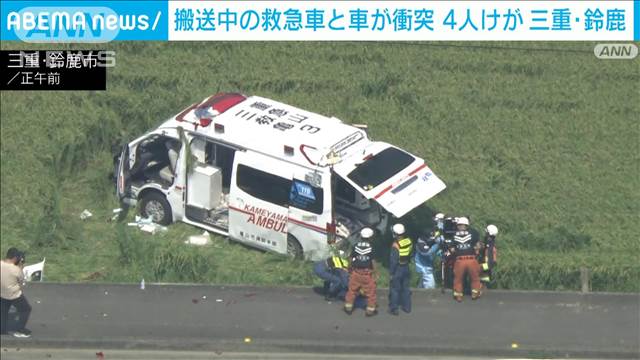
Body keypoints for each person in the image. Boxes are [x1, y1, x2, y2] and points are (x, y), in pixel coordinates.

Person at [344, 228, 378, 317]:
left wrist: (349, 268)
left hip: (356, 272)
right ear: (371, 237)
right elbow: (373, 261)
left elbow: (351, 258)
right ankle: (370, 311)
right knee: (371, 292)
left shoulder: (355, 246)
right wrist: (375, 272)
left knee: (352, 290)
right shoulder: (372, 247)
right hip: (367, 274)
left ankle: (348, 308)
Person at [449, 217, 482, 302]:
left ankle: (458, 296)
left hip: (460, 261)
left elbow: (452, 249)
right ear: (467, 225)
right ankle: (475, 294)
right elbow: (478, 246)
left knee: (458, 279)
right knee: (475, 278)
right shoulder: (474, 232)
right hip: (472, 259)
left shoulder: (454, 234)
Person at [1, 248, 32, 337]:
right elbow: (21, 279)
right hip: (14, 295)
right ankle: (20, 329)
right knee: (26, 309)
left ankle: (2, 330)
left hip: (2, 294)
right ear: (14, 258)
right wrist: (21, 266)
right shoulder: (16, 270)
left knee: (3, 312)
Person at [388, 224, 413, 315]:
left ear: (395, 234)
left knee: (395, 289)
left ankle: (394, 308)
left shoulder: (395, 245)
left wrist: (391, 273)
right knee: (406, 288)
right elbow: (410, 253)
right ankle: (407, 307)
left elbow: (393, 261)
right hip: (406, 266)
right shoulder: (409, 241)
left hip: (398, 269)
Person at [415, 214, 445, 289]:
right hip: (424, 267)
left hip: (428, 266)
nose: (431, 239)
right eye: (430, 238)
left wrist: (442, 253)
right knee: (430, 286)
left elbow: (436, 251)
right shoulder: (420, 243)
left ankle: (418, 293)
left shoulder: (430, 240)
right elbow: (427, 252)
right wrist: (437, 244)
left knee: (422, 284)